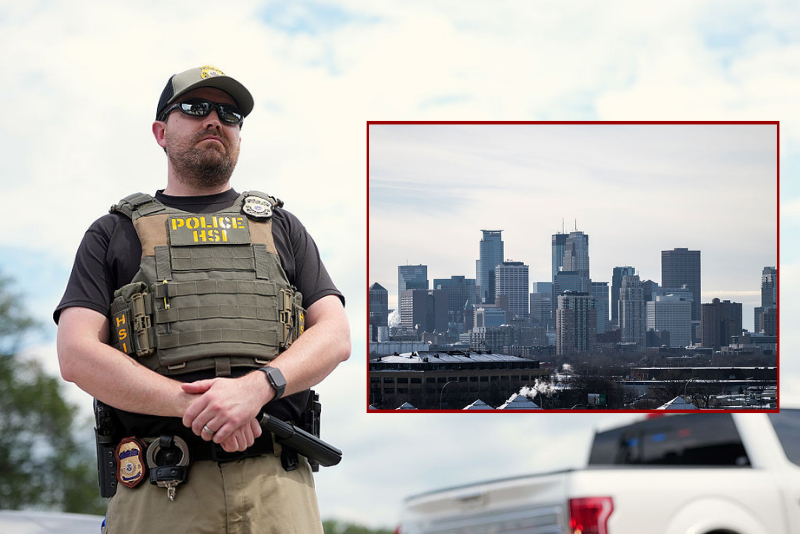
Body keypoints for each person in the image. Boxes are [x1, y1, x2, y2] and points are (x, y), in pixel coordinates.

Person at [54, 65, 351, 533]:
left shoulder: (281, 226)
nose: (214, 120)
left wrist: (256, 389)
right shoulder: (113, 233)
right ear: (160, 132)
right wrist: (197, 405)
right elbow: (76, 354)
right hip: (160, 487)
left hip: (276, 487)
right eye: (194, 109)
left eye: (229, 114)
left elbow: (334, 335)